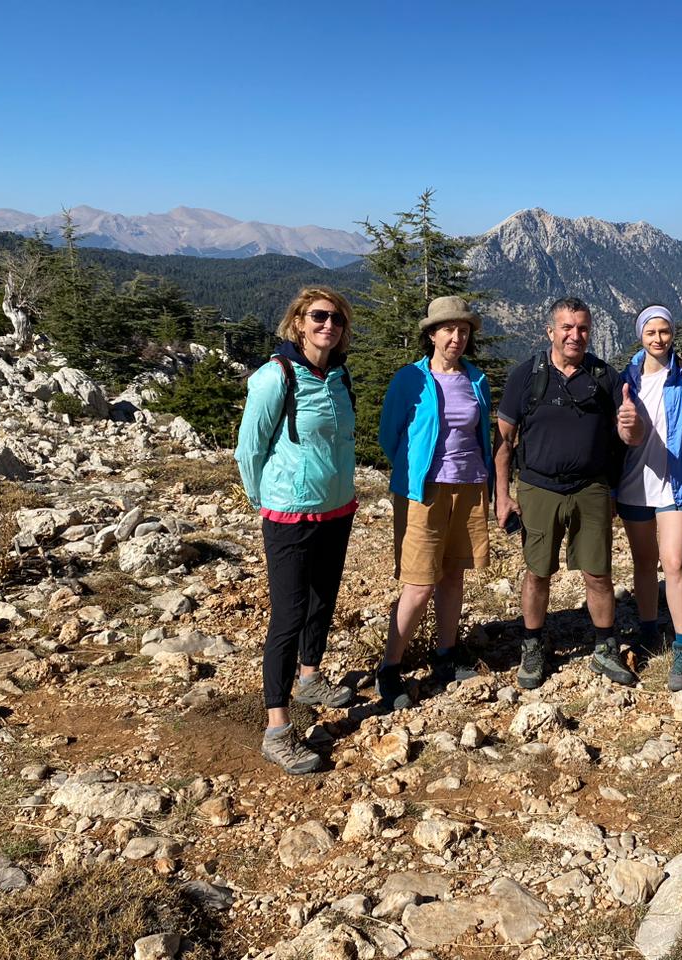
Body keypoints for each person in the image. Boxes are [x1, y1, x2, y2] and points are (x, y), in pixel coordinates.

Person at [234, 286, 358, 775]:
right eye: (319, 317)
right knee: (288, 614)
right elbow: (249, 449)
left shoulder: (338, 376)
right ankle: (277, 728)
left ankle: (310, 678)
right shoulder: (275, 377)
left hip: (335, 509)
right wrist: (264, 500)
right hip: (289, 514)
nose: (329, 326)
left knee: (323, 599)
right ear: (299, 323)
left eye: (337, 320)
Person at [495, 296, 645, 689]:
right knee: (537, 572)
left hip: (591, 488)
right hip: (538, 487)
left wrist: (631, 425)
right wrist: (502, 494)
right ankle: (532, 645)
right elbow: (504, 442)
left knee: (598, 573)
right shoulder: (526, 376)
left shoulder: (605, 377)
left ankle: (605, 646)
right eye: (566, 327)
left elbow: (630, 436)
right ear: (550, 331)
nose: (575, 335)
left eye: (582, 328)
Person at [375, 296, 493, 710]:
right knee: (420, 583)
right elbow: (389, 435)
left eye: (463, 331)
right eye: (448, 330)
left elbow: (483, 435)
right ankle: (389, 667)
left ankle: (445, 655)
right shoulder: (410, 379)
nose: (456, 338)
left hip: (470, 486)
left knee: (453, 576)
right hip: (423, 491)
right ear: (431, 335)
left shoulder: (476, 379)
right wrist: (414, 470)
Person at [616, 304, 682, 691]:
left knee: (674, 562)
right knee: (643, 561)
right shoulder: (626, 378)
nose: (658, 339)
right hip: (633, 484)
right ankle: (649, 628)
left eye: (665, 332)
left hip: (677, 484)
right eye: (651, 332)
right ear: (641, 335)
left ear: (673, 334)